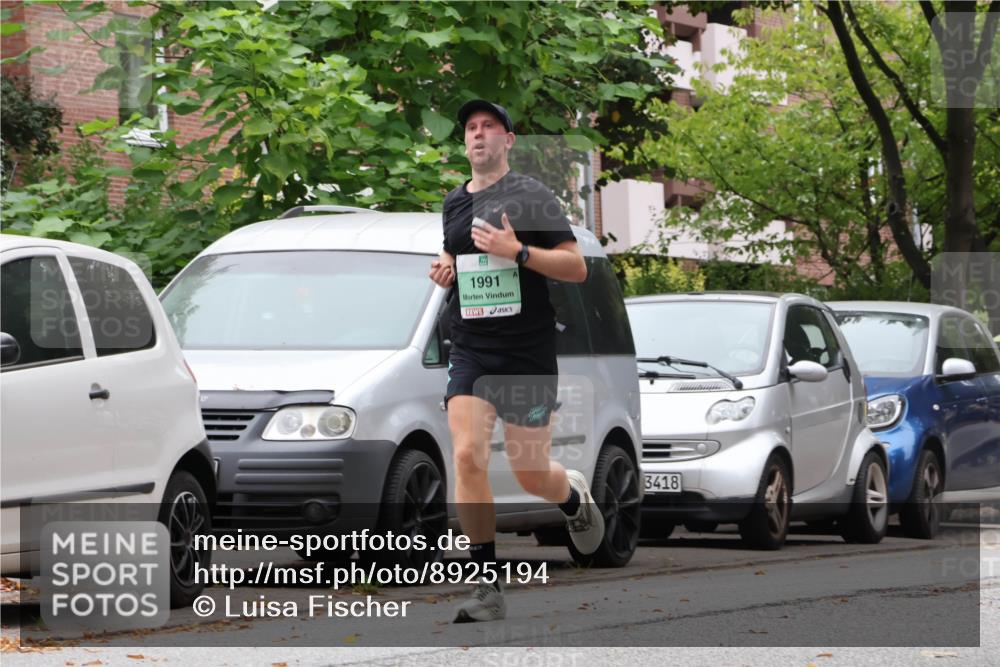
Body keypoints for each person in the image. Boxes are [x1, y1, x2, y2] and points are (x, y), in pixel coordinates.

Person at [428, 99, 605, 623]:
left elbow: (575, 268)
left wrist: (519, 252)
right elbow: (457, 256)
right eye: (471, 128)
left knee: (531, 474)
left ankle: (570, 496)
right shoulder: (453, 203)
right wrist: (447, 267)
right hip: (473, 348)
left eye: (490, 127)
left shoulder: (531, 196)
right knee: (466, 457)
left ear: (508, 140)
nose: (478, 135)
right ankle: (487, 586)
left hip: (526, 352)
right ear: (465, 142)